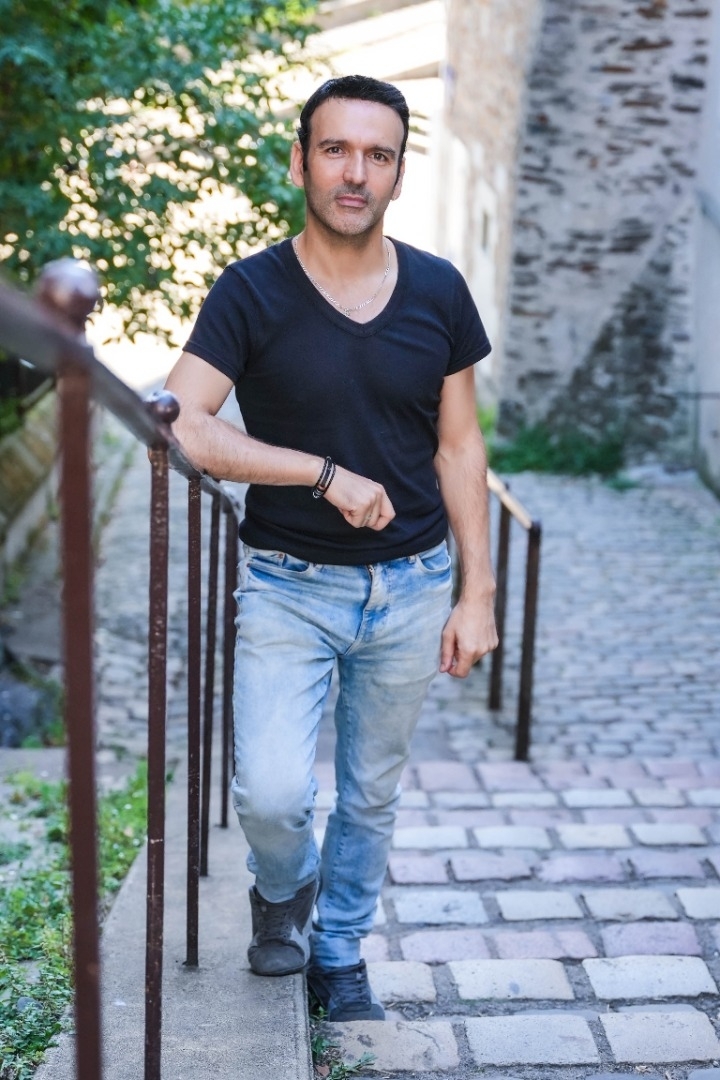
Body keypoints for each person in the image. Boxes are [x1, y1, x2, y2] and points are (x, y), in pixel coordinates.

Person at [164, 74, 498, 1022]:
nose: (356, 173)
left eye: (377, 155)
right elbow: (182, 423)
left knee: (369, 794)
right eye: (336, 150)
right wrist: (318, 473)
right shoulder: (252, 290)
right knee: (271, 795)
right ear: (301, 161)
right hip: (289, 584)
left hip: (413, 584)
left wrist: (477, 594)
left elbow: (459, 447)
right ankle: (284, 889)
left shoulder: (439, 290)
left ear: (398, 173)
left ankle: (339, 951)